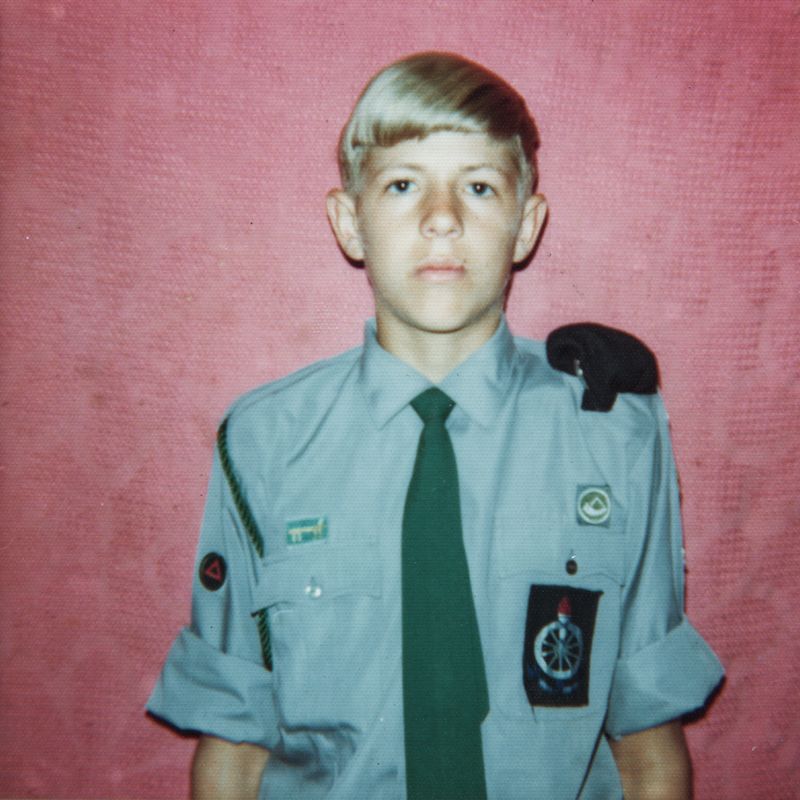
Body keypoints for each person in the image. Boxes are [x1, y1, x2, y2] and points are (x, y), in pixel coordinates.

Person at [147, 52, 723, 799]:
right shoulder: (264, 443)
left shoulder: (614, 436)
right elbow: (234, 749)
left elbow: (649, 745)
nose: (443, 218)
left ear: (526, 226)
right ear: (350, 222)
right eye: (402, 184)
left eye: (479, 187)